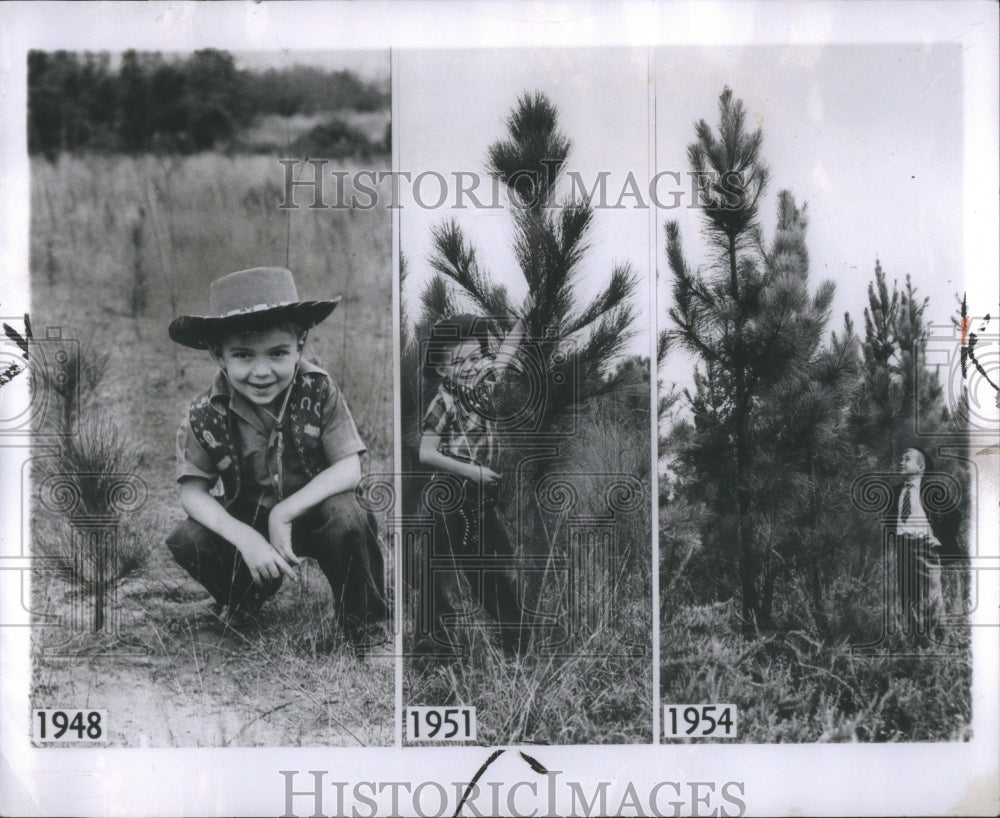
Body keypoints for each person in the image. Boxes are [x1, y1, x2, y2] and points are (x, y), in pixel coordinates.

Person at [165, 266, 389, 654]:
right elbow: (193, 492)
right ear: (219, 355)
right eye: (243, 355)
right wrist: (247, 538)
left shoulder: (319, 389)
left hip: (317, 513)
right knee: (188, 539)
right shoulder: (205, 413)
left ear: (300, 344)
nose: (262, 371)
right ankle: (244, 599)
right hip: (250, 519)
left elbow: (350, 467)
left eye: (278, 353)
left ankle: (366, 627)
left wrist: (283, 513)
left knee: (349, 515)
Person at [416, 301, 533, 656]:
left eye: (475, 357)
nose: (470, 367)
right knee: (438, 570)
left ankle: (516, 646)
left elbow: (507, 352)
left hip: (483, 499)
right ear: (442, 369)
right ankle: (433, 644)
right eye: (459, 361)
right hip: (451, 497)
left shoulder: (485, 386)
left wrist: (525, 317)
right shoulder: (444, 402)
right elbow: (426, 453)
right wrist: (474, 471)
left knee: (496, 569)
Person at [884, 446, 961, 640]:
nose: (901, 462)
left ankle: (938, 638)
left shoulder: (931, 490)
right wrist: (895, 536)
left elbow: (954, 515)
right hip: (903, 547)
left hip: (924, 547)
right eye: (901, 459)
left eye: (907, 459)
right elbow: (889, 519)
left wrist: (940, 539)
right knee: (907, 593)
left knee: (931, 594)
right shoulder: (896, 491)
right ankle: (914, 637)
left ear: (920, 466)